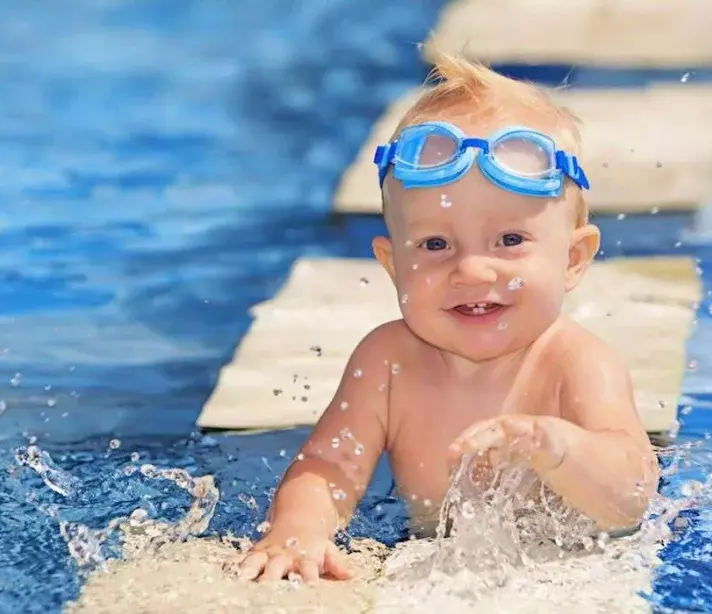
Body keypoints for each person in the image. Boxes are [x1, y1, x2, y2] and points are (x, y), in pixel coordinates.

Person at [236, 52, 658, 583]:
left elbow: (632, 496)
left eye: (510, 240)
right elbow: (328, 468)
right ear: (393, 265)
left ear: (573, 258)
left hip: (578, 566)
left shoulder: (576, 362)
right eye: (435, 244)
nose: (473, 270)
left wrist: (557, 446)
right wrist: (297, 532)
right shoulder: (388, 359)